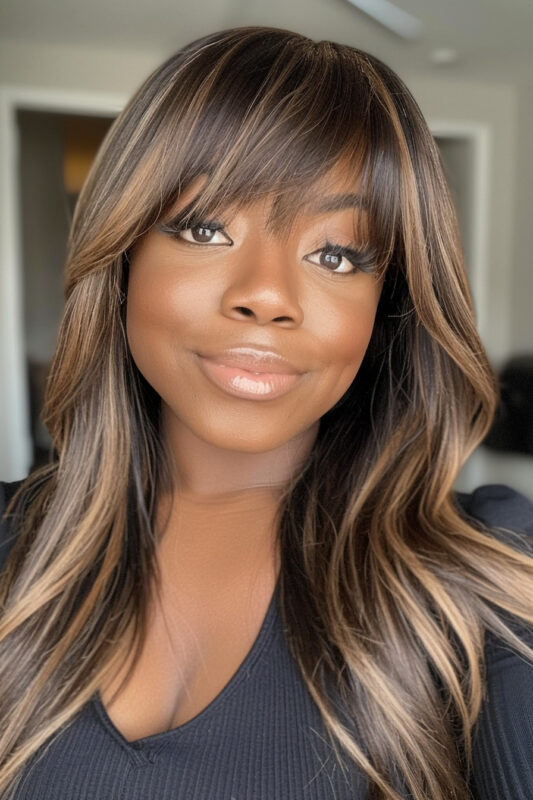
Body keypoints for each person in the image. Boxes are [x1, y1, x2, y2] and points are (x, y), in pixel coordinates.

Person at [1, 24, 533, 800]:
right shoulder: (14, 547)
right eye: (203, 227)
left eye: (336, 254)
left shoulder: (487, 577)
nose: (268, 295)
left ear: (388, 306)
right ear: (120, 261)